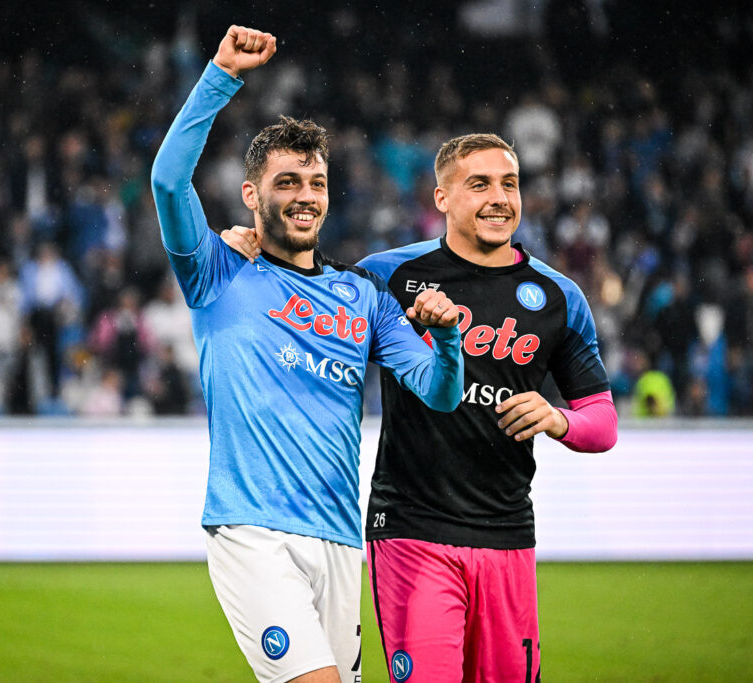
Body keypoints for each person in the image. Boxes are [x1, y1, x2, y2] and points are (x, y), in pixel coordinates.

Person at [223, 134, 618, 682]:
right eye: (479, 185)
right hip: (412, 528)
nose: (499, 198)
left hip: (508, 531)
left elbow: (603, 423)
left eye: (509, 184)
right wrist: (251, 243)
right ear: (442, 198)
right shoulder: (388, 276)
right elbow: (306, 280)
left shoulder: (558, 297)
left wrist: (559, 419)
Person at [150, 26, 465, 683]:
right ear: (251, 194)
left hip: (341, 539)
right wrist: (220, 76)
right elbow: (168, 180)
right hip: (254, 532)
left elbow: (439, 392)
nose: (305, 195)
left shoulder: (364, 297)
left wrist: (449, 340)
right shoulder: (217, 272)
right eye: (287, 181)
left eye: (316, 182)